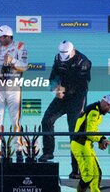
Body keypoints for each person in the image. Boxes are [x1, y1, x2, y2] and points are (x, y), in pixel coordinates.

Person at [39, 40, 92, 179]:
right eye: (61, 54)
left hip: (77, 97)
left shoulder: (84, 61)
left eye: (66, 54)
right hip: (62, 96)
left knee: (74, 132)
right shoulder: (57, 58)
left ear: (72, 50)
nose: (63, 57)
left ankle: (77, 170)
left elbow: (81, 83)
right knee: (46, 120)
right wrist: (55, 88)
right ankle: (48, 152)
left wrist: (64, 89)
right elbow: (52, 77)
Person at [0, 25, 28, 163]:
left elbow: (24, 66)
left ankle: (19, 150)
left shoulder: (20, 46)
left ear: (8, 37)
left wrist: (12, 61)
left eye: (1, 36)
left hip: (13, 88)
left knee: (15, 120)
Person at [71, 95, 110, 192]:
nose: (109, 111)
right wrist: (101, 140)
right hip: (80, 145)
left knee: (96, 175)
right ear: (107, 104)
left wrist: (102, 139)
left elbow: (93, 130)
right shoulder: (94, 112)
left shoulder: (96, 111)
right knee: (88, 176)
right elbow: (90, 132)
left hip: (86, 145)